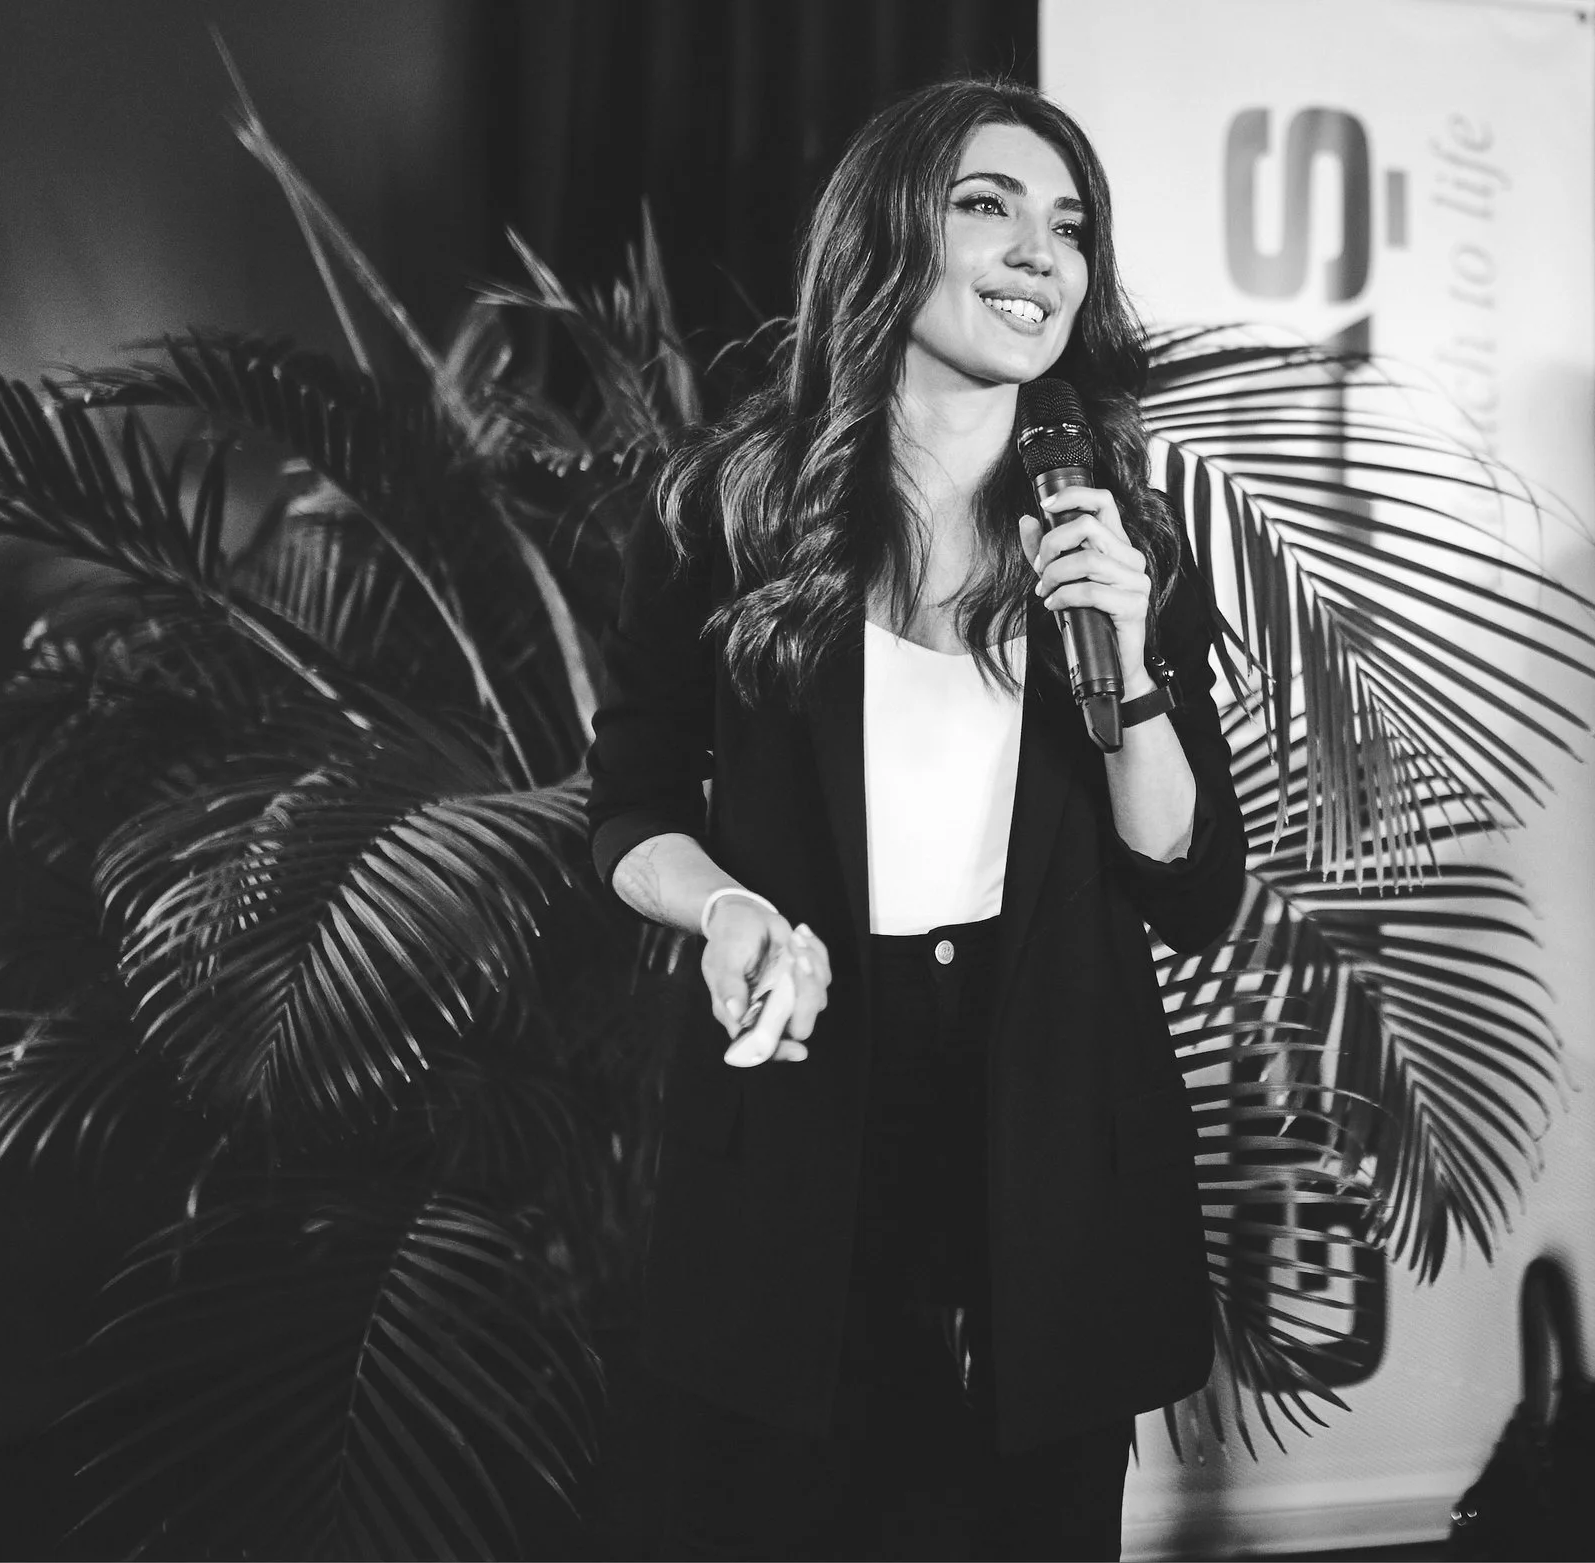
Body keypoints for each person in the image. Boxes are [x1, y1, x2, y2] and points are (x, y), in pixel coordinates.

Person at [583, 78, 1244, 1561]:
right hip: (811, 1122)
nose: (1038, 254)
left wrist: (1130, 665)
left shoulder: (1121, 534)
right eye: (987, 206)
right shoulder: (733, 507)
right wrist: (726, 908)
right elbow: (627, 799)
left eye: (1069, 226)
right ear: (888, 235)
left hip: (1054, 1152)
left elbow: (1191, 891)